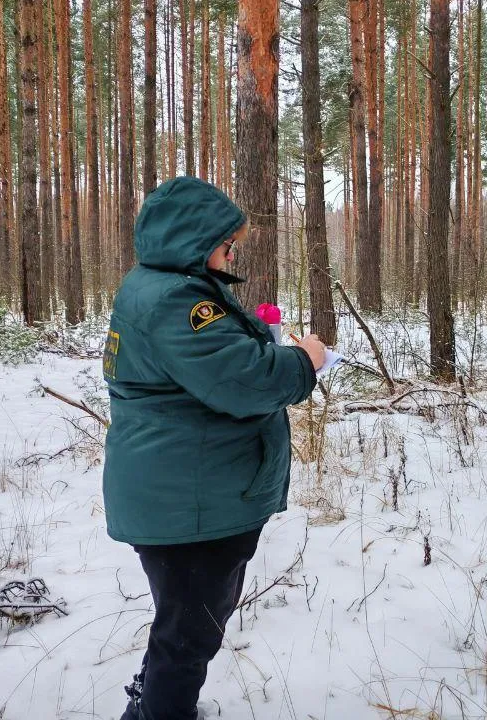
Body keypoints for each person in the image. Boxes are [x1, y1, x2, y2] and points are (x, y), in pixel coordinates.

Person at [102, 176, 327, 720]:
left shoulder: (161, 287)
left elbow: (208, 362)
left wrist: (258, 335)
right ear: (196, 240)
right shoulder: (177, 299)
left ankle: (153, 700)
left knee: (183, 621)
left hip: (184, 493)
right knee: (190, 633)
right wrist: (306, 360)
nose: (234, 254)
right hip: (191, 505)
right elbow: (242, 382)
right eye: (229, 244)